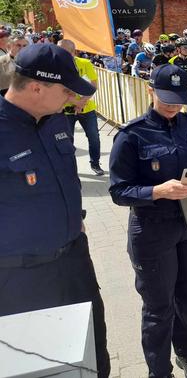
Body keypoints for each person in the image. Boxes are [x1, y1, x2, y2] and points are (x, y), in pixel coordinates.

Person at [0, 43, 110, 377]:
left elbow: (66, 180)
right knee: (40, 367)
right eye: (66, 90)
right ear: (36, 87)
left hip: (74, 262)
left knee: (93, 353)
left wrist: (76, 219)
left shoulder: (55, 121)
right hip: (22, 278)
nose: (72, 98)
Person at [109, 64, 187, 378]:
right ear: (150, 91)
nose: (172, 105)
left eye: (179, 99)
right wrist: (156, 191)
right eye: (165, 97)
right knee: (159, 307)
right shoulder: (132, 135)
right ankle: (159, 371)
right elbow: (119, 191)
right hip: (153, 229)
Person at [57, 39, 105, 176]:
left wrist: (82, 102)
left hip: (87, 109)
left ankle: (95, 163)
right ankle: (69, 167)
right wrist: (75, 102)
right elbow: (56, 90)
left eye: (63, 51)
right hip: (66, 110)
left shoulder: (85, 63)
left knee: (94, 137)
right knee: (67, 140)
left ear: (73, 52)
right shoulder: (54, 66)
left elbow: (93, 86)